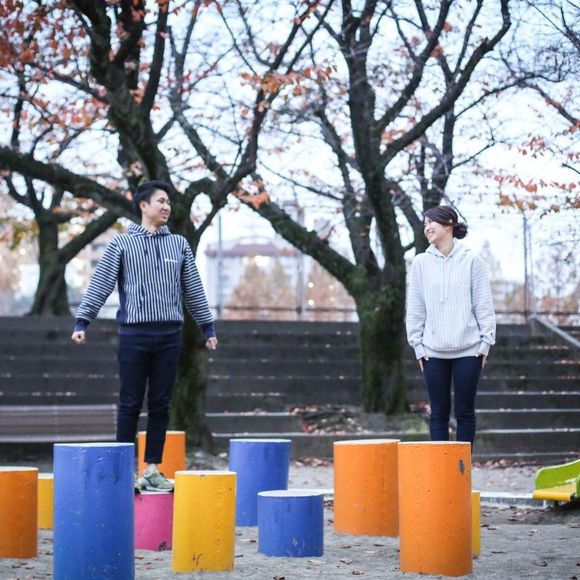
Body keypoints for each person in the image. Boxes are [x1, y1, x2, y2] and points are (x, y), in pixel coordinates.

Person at [71, 181, 217, 492]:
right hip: (134, 335)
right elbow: (101, 283)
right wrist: (83, 321)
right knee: (130, 402)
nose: (167, 207)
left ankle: (152, 469)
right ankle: (123, 472)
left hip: (169, 336)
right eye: (161, 201)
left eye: (169, 202)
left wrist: (207, 327)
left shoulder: (179, 244)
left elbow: (193, 288)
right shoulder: (122, 244)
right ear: (143, 205)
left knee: (161, 404)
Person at [405, 205, 496, 447]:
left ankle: (462, 467)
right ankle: (440, 469)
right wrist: (418, 347)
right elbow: (415, 308)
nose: (426, 228)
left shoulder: (472, 261)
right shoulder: (420, 263)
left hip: (469, 350)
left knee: (465, 412)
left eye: (431, 222)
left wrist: (485, 344)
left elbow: (483, 305)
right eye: (425, 224)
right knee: (438, 413)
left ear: (448, 224)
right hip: (432, 352)